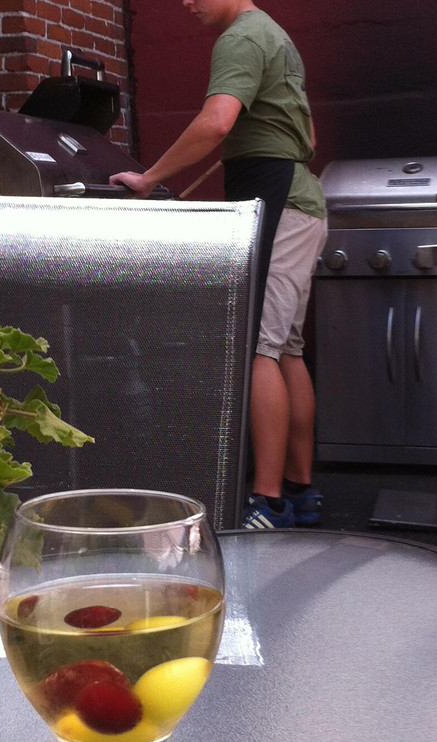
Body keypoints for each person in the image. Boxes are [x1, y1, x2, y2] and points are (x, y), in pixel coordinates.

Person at [110, 0, 327, 529]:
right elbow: (309, 138)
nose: (186, 2)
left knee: (259, 348)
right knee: (286, 348)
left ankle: (268, 502)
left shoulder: (241, 38)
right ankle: (300, 493)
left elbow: (217, 121)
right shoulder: (275, 35)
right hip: (300, 203)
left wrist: (149, 178)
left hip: (282, 205)